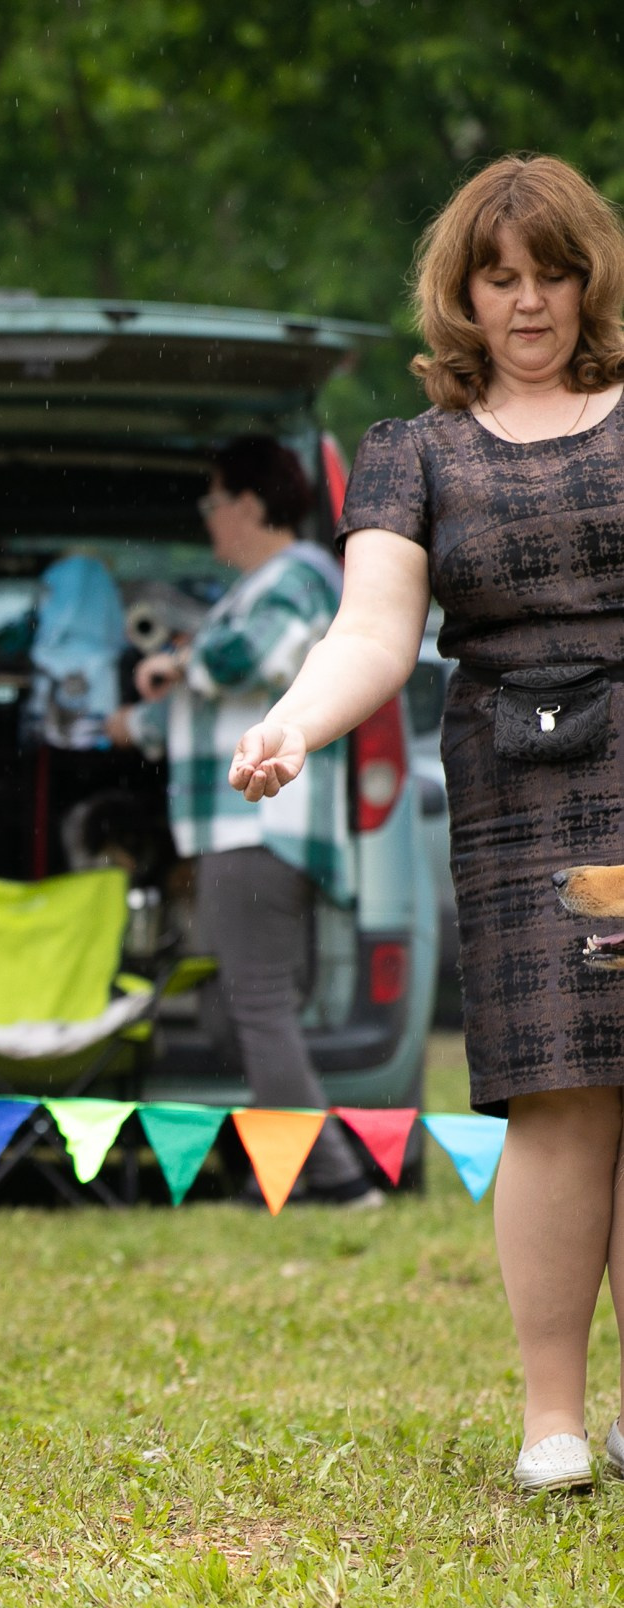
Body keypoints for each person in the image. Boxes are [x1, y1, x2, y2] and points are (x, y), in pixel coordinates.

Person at [230, 154, 624, 1494]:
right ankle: (553, 1417)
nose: (530, 302)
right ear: (458, 292)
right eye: (500, 277)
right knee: (559, 1091)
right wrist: (293, 721)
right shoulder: (414, 453)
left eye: (553, 272)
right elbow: (373, 631)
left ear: (590, 278)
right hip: (520, 780)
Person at [109, 437, 380, 1209]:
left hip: (260, 825)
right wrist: (132, 722)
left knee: (255, 1005)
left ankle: (333, 1179)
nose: (208, 521)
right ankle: (285, 1166)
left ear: (252, 505)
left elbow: (241, 661)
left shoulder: (296, 578)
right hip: (238, 827)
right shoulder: (258, 584)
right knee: (240, 1007)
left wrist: (176, 660)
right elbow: (214, 708)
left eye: (213, 502)